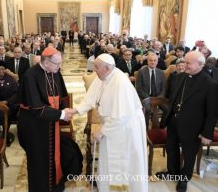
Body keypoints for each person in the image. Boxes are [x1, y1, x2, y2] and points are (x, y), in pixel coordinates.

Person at [71, 53, 148, 192]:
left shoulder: (120, 82)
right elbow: (91, 97)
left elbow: (121, 116)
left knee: (123, 163)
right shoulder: (103, 76)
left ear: (107, 68)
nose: (94, 70)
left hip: (126, 128)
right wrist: (75, 110)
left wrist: (101, 131)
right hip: (112, 126)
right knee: (109, 160)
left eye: (96, 67)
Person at [16, 46, 78, 192]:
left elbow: (61, 96)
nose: (60, 66)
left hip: (52, 122)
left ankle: (55, 185)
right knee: (39, 159)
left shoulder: (54, 71)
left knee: (54, 154)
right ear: (46, 61)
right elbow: (37, 109)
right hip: (35, 126)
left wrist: (65, 110)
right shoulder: (30, 76)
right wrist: (61, 114)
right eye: (57, 63)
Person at [156, 51, 218, 192]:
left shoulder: (210, 84)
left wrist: (207, 134)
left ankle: (184, 178)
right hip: (173, 121)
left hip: (193, 127)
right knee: (171, 149)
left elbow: (212, 112)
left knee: (189, 154)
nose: (185, 64)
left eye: (189, 63)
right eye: (185, 61)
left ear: (200, 65)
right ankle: (172, 172)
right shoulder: (178, 77)